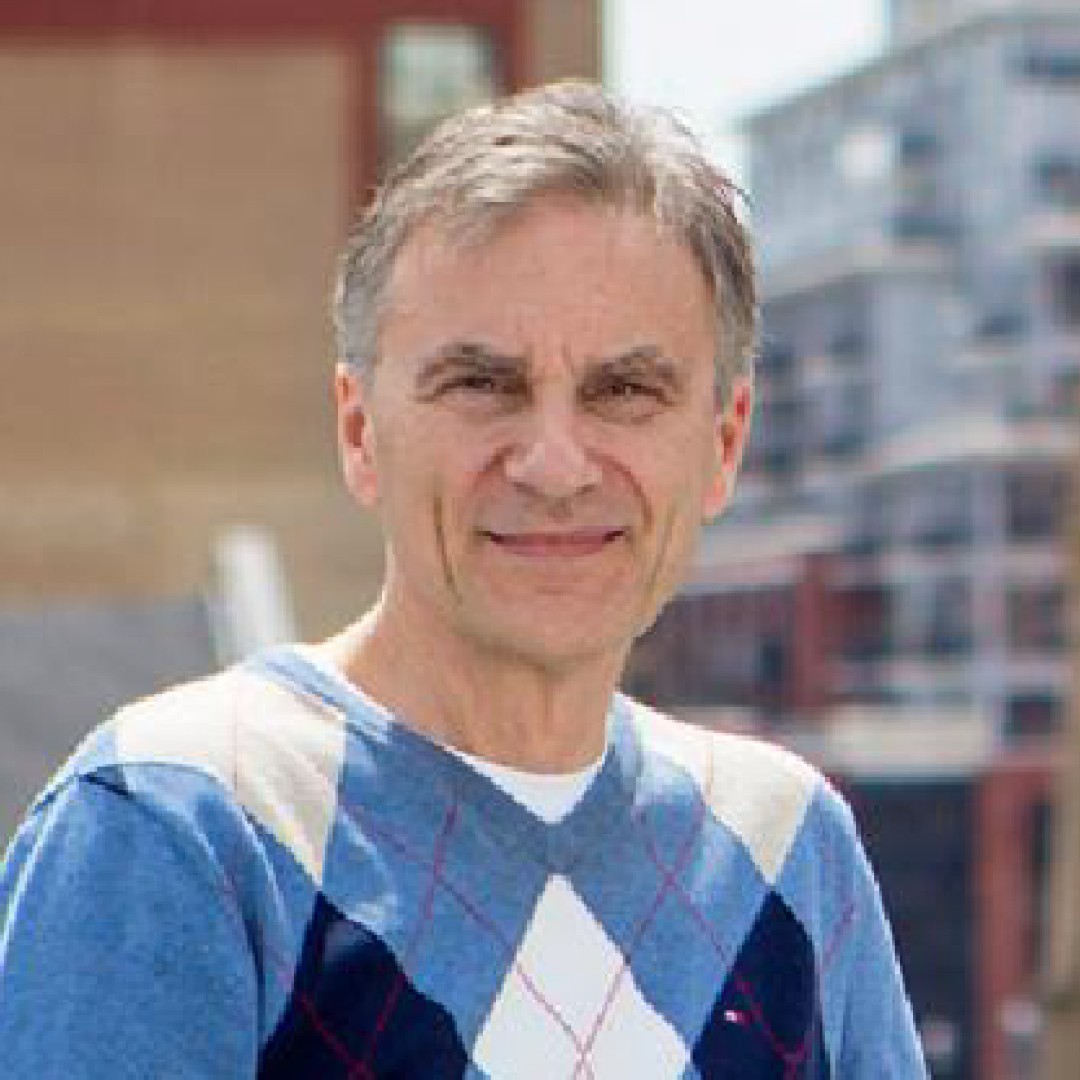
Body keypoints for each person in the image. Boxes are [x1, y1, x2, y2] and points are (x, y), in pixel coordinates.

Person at [0, 82, 927, 1078]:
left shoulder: (786, 848)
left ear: (725, 440)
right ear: (360, 430)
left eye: (625, 390)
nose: (555, 462)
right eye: (483, 384)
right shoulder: (184, 823)